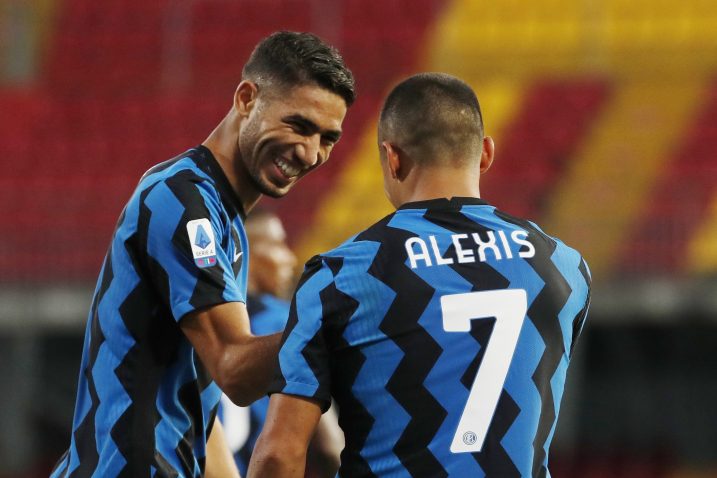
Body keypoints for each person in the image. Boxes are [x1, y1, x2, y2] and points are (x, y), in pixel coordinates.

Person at [248, 73, 591, 477]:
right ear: (485, 153)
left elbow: (279, 455)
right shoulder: (564, 267)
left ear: (392, 158)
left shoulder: (342, 277)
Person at [50, 31, 354, 477]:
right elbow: (236, 369)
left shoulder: (225, 218)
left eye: (328, 137)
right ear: (247, 98)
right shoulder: (182, 201)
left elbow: (201, 395)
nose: (310, 153)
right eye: (299, 125)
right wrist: (340, 319)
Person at [219, 209, 343, 477]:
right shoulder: (284, 321)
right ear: (247, 254)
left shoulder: (203, 326)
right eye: (277, 244)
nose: (290, 258)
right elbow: (331, 446)